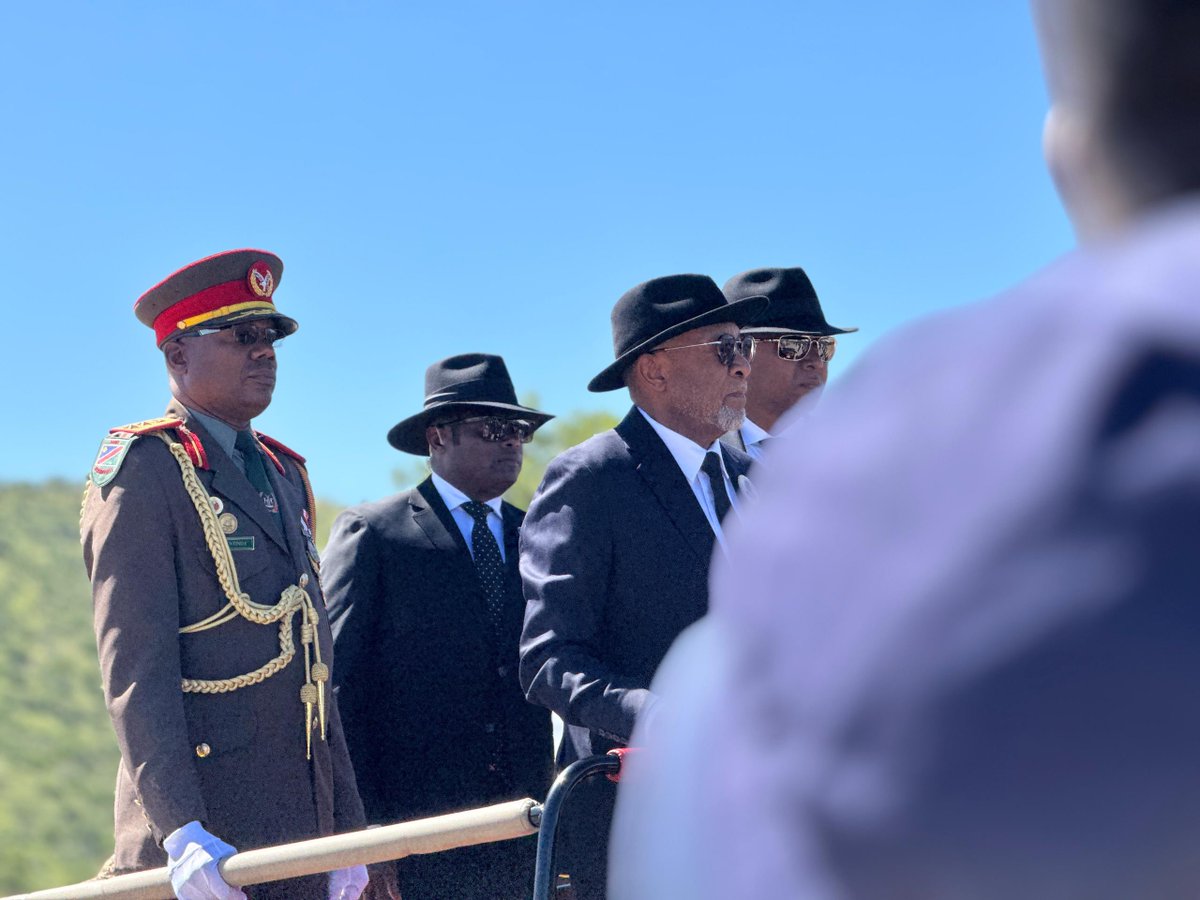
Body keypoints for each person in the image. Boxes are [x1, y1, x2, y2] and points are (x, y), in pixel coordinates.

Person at [610, 1, 1200, 897]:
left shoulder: (907, 465)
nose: (809, 367)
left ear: (1068, 150)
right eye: (775, 349)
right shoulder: (635, 481)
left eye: (823, 349)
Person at [81, 250, 374, 900]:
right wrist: (181, 831)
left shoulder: (284, 472)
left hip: (301, 839)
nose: (264, 352)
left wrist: (347, 831)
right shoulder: (147, 470)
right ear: (178, 355)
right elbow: (137, 672)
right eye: (242, 336)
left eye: (269, 337)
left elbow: (315, 670)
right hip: (205, 847)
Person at [518, 273, 766, 899]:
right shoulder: (592, 479)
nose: (744, 366)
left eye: (747, 347)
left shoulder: (751, 475)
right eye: (725, 348)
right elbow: (548, 659)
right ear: (654, 370)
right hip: (652, 828)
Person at [323, 353, 555, 899]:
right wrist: (365, 834)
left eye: (519, 431)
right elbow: (338, 687)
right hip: (414, 835)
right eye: (494, 429)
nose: (511, 443)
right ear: (437, 439)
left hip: (522, 829)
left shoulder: (535, 535)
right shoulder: (375, 533)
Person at [720, 266, 857, 460]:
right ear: (740, 350)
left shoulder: (856, 451)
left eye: (824, 347)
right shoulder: (691, 446)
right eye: (794, 345)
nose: (817, 362)